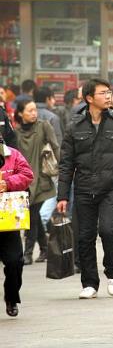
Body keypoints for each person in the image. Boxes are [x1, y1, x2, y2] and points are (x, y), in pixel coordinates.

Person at [56, 79, 113, 300]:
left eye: (109, 92)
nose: (108, 96)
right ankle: (90, 283)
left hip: (110, 187)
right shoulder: (74, 126)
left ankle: (112, 273)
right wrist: (62, 195)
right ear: (89, 98)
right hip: (83, 188)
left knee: (109, 230)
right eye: (103, 93)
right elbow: (66, 163)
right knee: (84, 236)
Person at [14, 99, 59, 265]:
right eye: (30, 111)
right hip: (23, 180)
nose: (34, 113)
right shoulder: (16, 133)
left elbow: (55, 146)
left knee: (31, 215)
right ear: (20, 113)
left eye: (35, 110)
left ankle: (28, 252)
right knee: (34, 217)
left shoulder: (44, 126)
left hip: (41, 180)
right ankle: (45, 249)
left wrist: (64, 169)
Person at [0, 135, 34, 317]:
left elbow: (28, 175)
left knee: (15, 262)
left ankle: (11, 297)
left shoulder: (13, 155)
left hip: (8, 220)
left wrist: (8, 183)